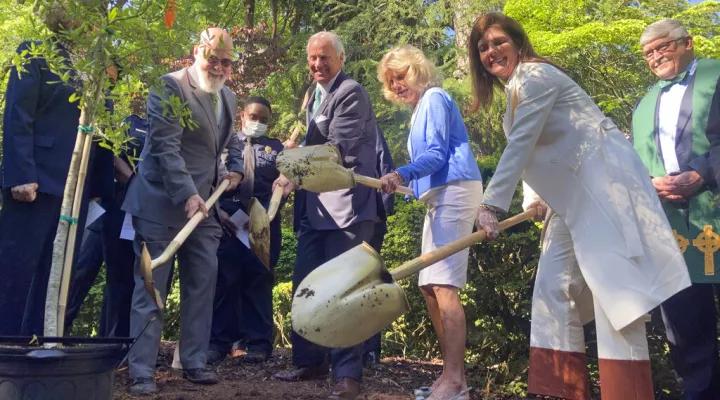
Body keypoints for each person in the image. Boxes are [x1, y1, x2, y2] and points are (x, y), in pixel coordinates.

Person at [468, 12, 692, 400]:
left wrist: (491, 203)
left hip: (605, 187)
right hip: (571, 200)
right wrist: (534, 198)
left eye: (498, 42)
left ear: (519, 44)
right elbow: (541, 148)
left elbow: (522, 142)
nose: (491, 52)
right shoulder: (516, 89)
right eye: (483, 47)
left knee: (616, 297)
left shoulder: (534, 75)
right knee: (554, 288)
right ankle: (561, 392)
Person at [121, 27, 244, 395]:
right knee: (151, 288)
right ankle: (140, 369)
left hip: (205, 207)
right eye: (213, 58)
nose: (219, 66)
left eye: (226, 61)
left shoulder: (230, 98)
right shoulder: (169, 86)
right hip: (162, 202)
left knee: (203, 283)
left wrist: (235, 166)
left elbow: (230, 141)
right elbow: (165, 148)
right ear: (196, 51)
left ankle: (193, 360)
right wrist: (188, 195)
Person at [272, 31, 379, 400]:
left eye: (325, 57)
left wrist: (291, 170)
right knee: (307, 283)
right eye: (312, 58)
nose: (318, 64)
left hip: (346, 208)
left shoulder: (351, 93)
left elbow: (334, 151)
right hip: (315, 210)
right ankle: (310, 360)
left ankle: (348, 374)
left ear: (341, 58)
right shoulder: (313, 97)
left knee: (344, 290)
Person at [377, 44, 483, 400]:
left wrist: (401, 173)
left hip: (455, 190)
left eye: (401, 75)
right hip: (437, 196)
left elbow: (438, 154)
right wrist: (406, 182)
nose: (397, 85)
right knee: (429, 287)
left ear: (418, 69)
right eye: (391, 81)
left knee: (443, 285)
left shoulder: (435, 97)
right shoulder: (419, 109)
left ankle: (455, 383)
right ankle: (450, 378)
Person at [0, 25, 115, 336]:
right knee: (17, 269)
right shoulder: (36, 53)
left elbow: (103, 130)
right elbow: (17, 116)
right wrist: (22, 175)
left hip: (77, 190)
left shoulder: (96, 67)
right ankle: (7, 348)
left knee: (59, 273)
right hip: (36, 182)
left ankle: (42, 345)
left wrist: (99, 188)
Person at [632, 19, 720, 399]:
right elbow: (634, 161)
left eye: (662, 47)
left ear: (688, 42)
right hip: (672, 223)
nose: (655, 57)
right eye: (648, 53)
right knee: (685, 322)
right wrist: (648, 182)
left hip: (714, 202)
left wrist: (702, 173)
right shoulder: (644, 102)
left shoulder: (717, 76)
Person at [207, 96, 285, 364]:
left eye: (264, 119)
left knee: (259, 281)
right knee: (225, 282)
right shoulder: (225, 144)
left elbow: (282, 188)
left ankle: (259, 344)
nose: (258, 123)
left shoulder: (276, 149)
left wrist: (264, 214)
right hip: (227, 221)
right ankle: (218, 343)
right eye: (253, 117)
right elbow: (210, 180)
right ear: (242, 116)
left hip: (262, 223)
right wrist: (220, 212)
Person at [363, 126, 396, 369]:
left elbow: (386, 169)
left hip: (371, 221)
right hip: (336, 223)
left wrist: (380, 213)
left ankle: (372, 351)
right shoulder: (321, 131)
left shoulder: (371, 131)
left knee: (371, 285)